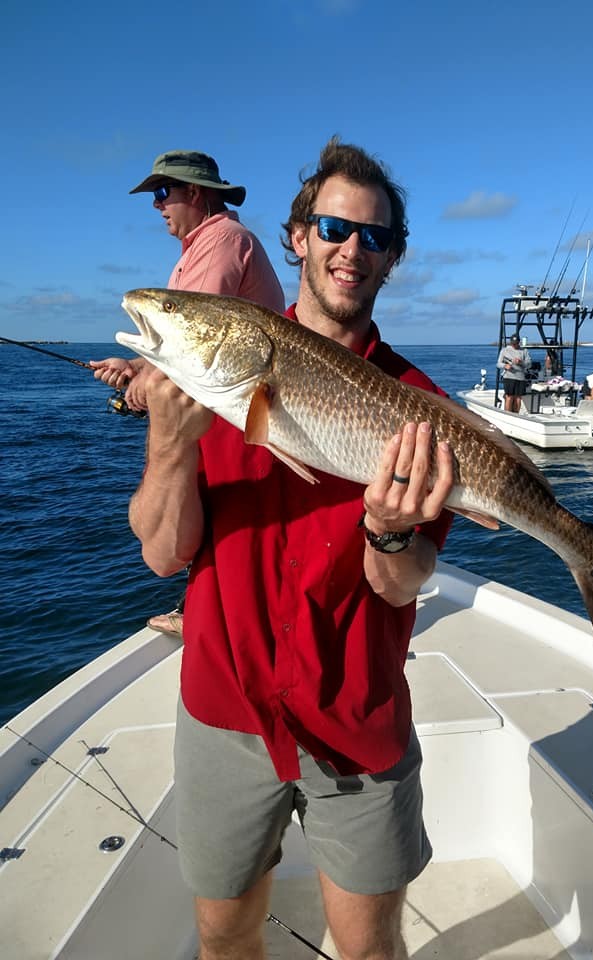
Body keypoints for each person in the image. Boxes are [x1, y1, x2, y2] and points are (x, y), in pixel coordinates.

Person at [128, 137, 455, 960]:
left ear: (392, 259)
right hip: (225, 712)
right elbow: (164, 556)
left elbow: (400, 584)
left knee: (370, 945)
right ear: (299, 235)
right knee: (223, 931)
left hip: (355, 715)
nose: (353, 249)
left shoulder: (422, 410)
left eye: (374, 237)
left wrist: (388, 528)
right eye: (335, 227)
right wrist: (169, 445)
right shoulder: (213, 379)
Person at [91, 150, 286, 639]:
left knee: (212, 516)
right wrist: (135, 365)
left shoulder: (222, 242)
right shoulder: (209, 245)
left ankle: (209, 608)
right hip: (229, 404)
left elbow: (203, 347)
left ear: (195, 193)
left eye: (163, 193)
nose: (157, 206)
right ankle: (205, 602)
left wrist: (143, 389)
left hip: (233, 411)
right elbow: (188, 344)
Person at [497, 332, 530, 412]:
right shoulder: (504, 350)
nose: (514, 345)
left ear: (519, 342)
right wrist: (505, 366)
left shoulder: (524, 351)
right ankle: (507, 415)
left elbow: (529, 364)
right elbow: (498, 364)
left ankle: (516, 415)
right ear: (511, 342)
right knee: (509, 396)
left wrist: (521, 362)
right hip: (509, 377)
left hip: (520, 378)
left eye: (516, 343)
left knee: (518, 398)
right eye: (513, 343)